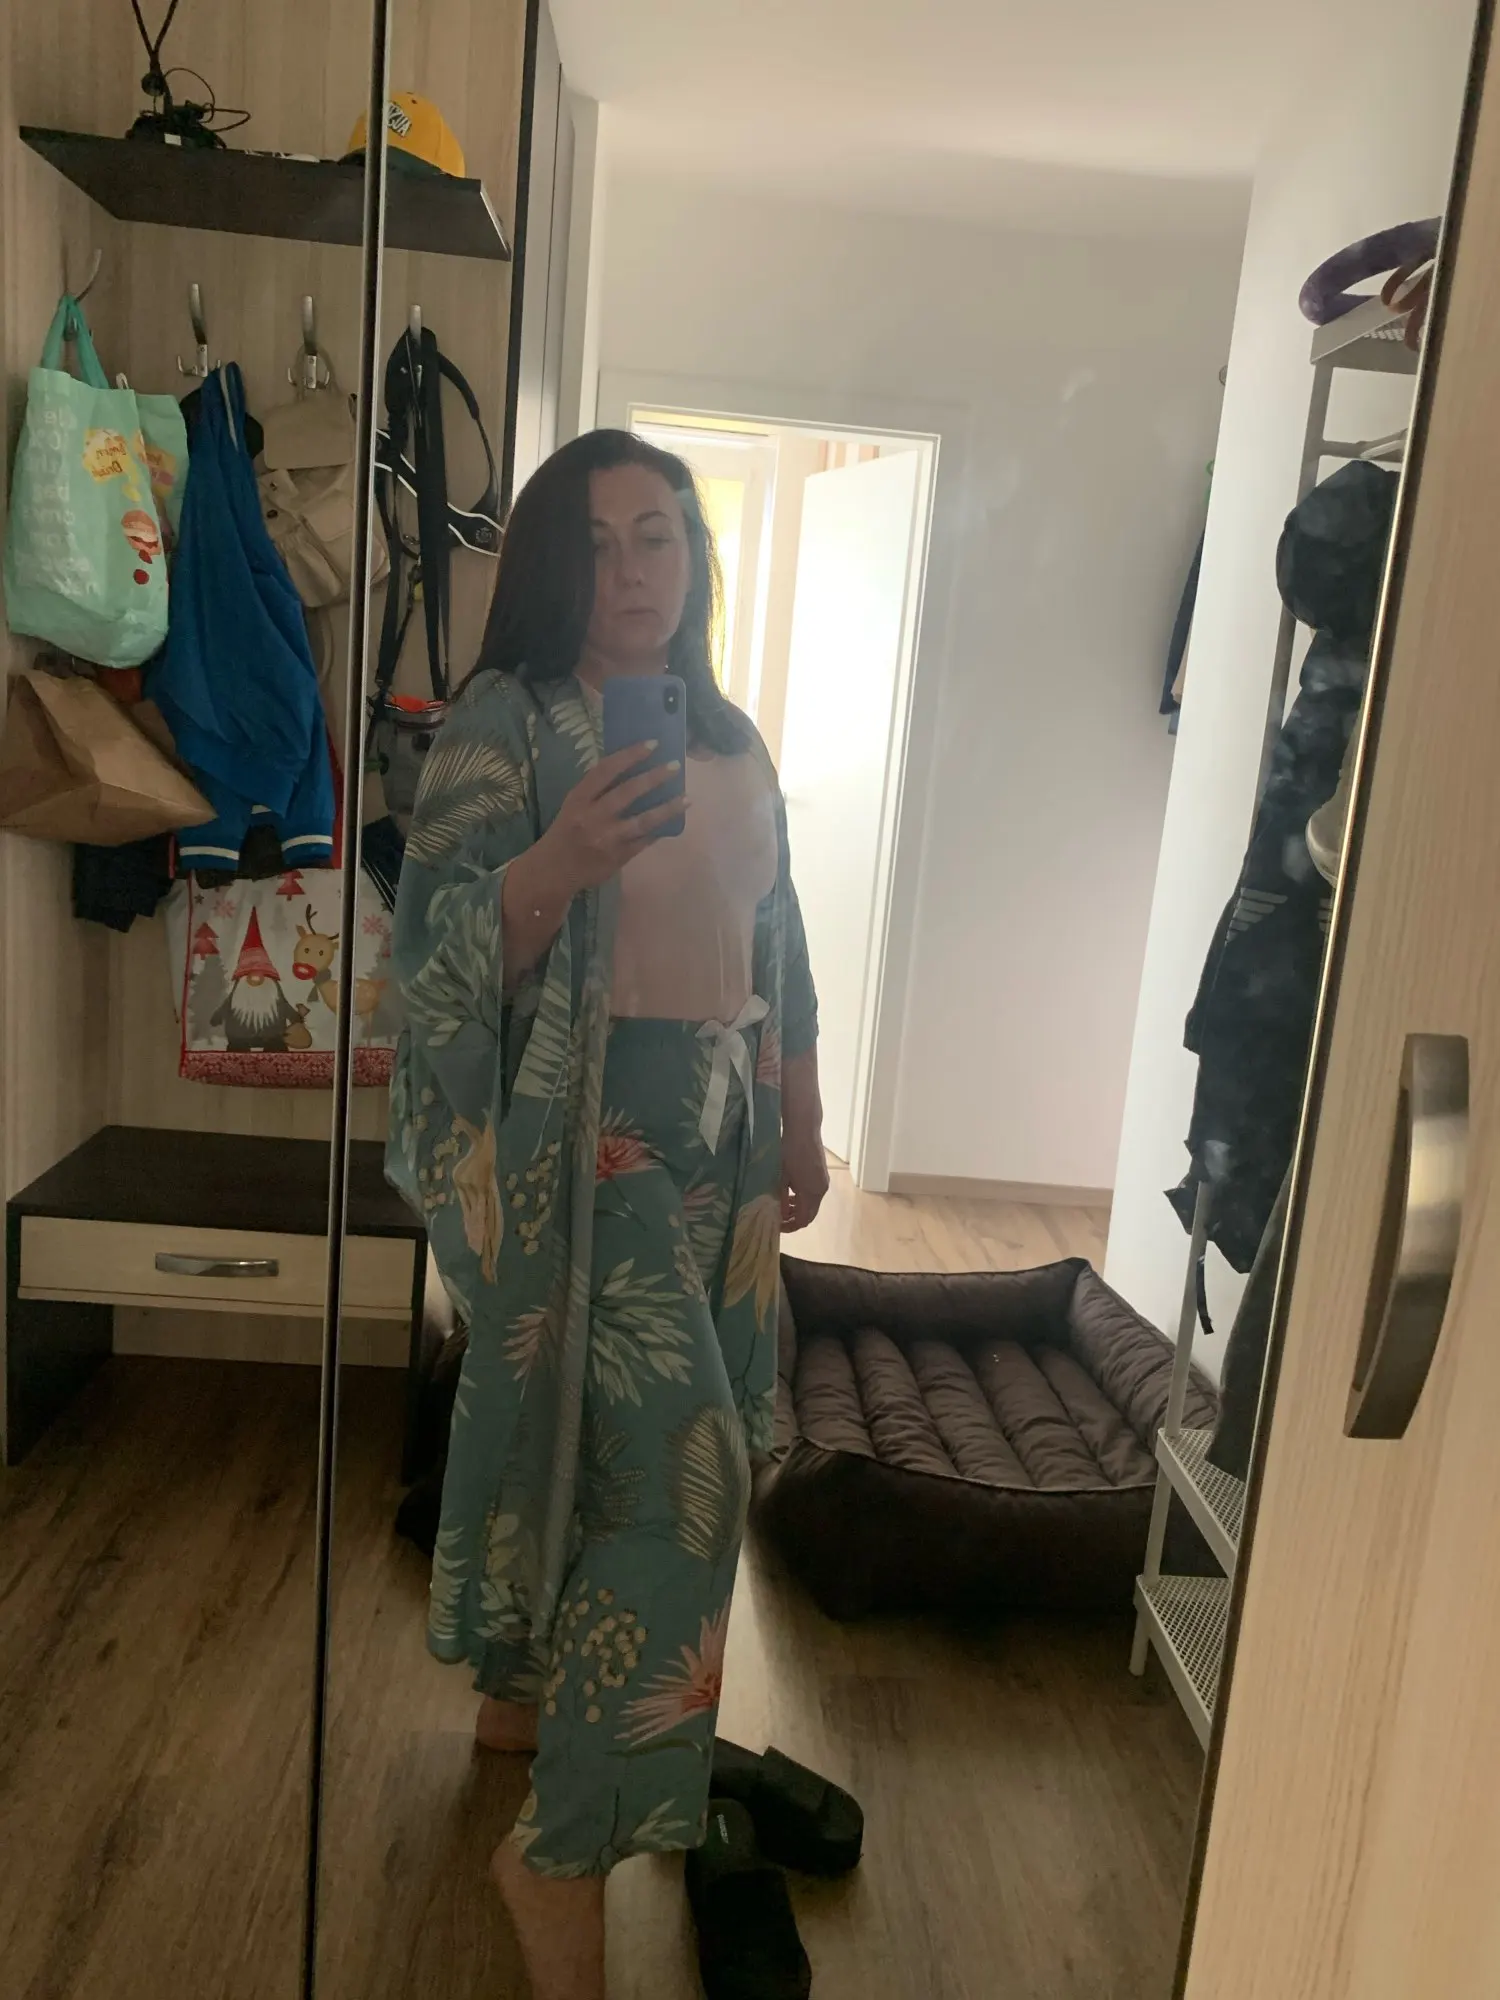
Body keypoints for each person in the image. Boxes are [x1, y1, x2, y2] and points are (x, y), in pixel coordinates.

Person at [387, 428, 827, 1999]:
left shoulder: (730, 734)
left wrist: (802, 1109)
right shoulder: (505, 725)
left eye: (661, 534)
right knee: (689, 1482)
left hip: (720, 1148)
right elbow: (433, 961)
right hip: (590, 1152)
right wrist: (560, 861)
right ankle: (560, 1849)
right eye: (599, 540)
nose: (635, 570)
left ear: (694, 557)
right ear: (552, 567)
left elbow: (778, 935)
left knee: (617, 1447)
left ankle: (522, 1703)